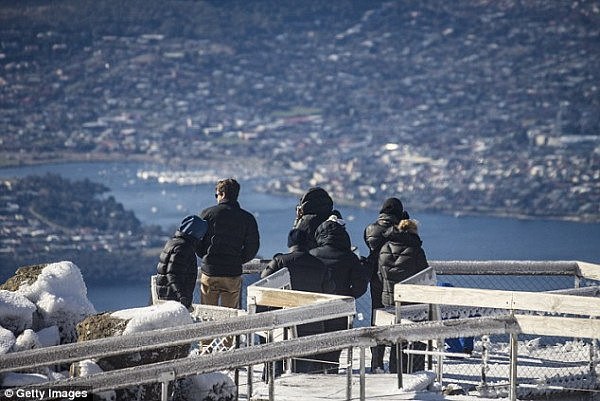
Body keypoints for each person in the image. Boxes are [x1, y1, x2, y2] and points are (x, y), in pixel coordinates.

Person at [260, 228, 335, 374]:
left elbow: (264, 281)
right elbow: (330, 292)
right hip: (312, 324)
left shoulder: (281, 261)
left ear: (290, 244)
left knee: (275, 364)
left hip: (283, 324)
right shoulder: (320, 265)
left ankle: (273, 382)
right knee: (303, 372)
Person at [310, 214, 369, 372]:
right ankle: (331, 373)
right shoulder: (350, 258)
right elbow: (361, 285)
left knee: (314, 347)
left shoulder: (312, 255)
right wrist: (348, 296)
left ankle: (315, 376)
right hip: (340, 309)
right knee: (334, 350)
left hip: (313, 310)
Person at [197, 178, 260, 309]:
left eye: (217, 195)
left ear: (223, 194)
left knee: (207, 314)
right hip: (232, 272)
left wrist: (206, 256)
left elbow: (197, 241)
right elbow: (253, 247)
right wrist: (238, 259)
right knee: (230, 316)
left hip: (210, 271)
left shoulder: (207, 214)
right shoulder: (247, 218)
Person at [363, 197, 409, 372]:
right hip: (397, 281)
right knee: (399, 321)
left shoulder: (370, 229)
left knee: (377, 320)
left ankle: (376, 362)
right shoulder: (399, 230)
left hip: (376, 279)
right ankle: (396, 364)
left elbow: (372, 246)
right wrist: (404, 223)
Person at [378, 218, 429, 373]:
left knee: (396, 338)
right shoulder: (416, 251)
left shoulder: (385, 247)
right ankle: (416, 371)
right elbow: (424, 277)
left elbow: (380, 275)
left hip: (390, 300)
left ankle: (396, 370)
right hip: (412, 302)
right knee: (416, 337)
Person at [155, 215, 208, 310]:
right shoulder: (183, 248)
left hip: (167, 294)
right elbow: (173, 274)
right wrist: (183, 297)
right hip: (173, 298)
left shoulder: (173, 242)